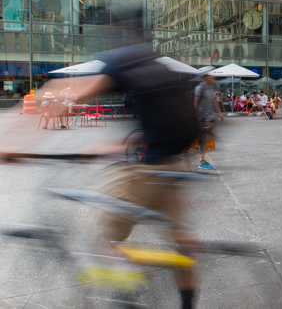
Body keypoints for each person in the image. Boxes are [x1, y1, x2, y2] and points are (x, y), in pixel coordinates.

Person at [35, 45, 204, 309]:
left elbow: (68, 95)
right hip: (175, 164)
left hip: (146, 172)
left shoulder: (118, 63)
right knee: (182, 243)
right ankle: (187, 302)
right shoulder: (159, 67)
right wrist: (114, 146)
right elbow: (156, 126)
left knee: (102, 241)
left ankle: (133, 291)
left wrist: (10, 144)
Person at [194, 72, 224, 170]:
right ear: (205, 77)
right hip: (204, 117)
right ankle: (202, 161)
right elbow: (196, 103)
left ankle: (196, 149)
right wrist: (198, 117)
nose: (212, 77)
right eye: (210, 76)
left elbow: (214, 101)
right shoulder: (200, 88)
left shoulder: (210, 87)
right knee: (204, 139)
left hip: (211, 117)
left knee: (207, 139)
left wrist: (219, 113)